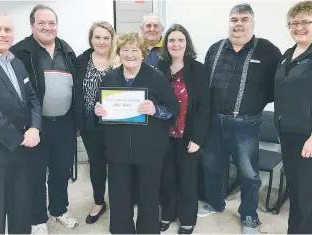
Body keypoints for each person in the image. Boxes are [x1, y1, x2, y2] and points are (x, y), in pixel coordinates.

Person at [197, 3, 282, 234]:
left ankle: (249, 216)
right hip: (213, 122)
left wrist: (254, 105)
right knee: (212, 166)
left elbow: (277, 86)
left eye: (244, 19)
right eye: (234, 20)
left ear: (253, 23)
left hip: (246, 124)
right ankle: (215, 203)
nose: (238, 24)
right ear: (229, 23)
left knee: (248, 173)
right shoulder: (215, 49)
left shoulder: (267, 51)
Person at [94, 32, 179, 234]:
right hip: (117, 150)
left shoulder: (156, 76)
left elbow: (173, 109)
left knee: (148, 197)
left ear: (142, 53)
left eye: (134, 50)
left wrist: (155, 110)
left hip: (150, 149)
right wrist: (99, 112)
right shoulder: (110, 76)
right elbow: (101, 112)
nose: (130, 54)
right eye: (125, 50)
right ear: (119, 53)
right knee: (119, 197)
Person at [10, 4, 78, 234]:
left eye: (52, 23)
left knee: (61, 171)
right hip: (35, 126)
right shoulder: (19, 52)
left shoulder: (67, 51)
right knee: (36, 173)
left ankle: (59, 210)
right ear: (32, 25)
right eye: (42, 23)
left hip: (65, 124)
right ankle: (37, 217)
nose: (47, 27)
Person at [0, 12, 41, 234]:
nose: (3, 34)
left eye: (8, 30)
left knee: (21, 210)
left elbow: (32, 99)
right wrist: (20, 138)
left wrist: (35, 127)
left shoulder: (17, 63)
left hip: (23, 150)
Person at [274, 1, 312, 234]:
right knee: (297, 193)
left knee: (310, 197)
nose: (299, 27)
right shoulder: (288, 55)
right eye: (294, 23)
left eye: (305, 22)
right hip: (289, 135)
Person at [157, 24, 210, 234]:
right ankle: (168, 213)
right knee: (167, 177)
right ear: (166, 44)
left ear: (186, 43)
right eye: (171, 40)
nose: (176, 44)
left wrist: (198, 138)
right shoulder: (159, 68)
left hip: (188, 134)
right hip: (163, 135)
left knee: (187, 179)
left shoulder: (199, 69)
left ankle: (188, 218)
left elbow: (205, 107)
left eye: (180, 40)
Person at [75, 21, 118, 224]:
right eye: (97, 37)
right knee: (97, 164)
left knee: (119, 164)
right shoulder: (81, 60)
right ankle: (99, 201)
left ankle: (120, 201)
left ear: (112, 40)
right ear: (91, 39)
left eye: (106, 37)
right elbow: (75, 92)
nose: (101, 41)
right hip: (90, 124)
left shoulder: (120, 59)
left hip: (117, 124)